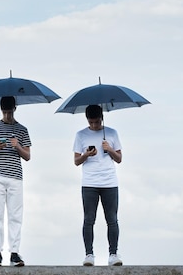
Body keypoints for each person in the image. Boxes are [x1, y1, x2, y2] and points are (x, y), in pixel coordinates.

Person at [0, 96, 30, 267]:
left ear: (14, 109)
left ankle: (14, 253)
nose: (7, 114)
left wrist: (17, 146)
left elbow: (28, 156)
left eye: (9, 111)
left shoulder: (22, 130)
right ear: (1, 110)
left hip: (16, 176)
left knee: (15, 216)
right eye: (5, 111)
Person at [73, 104, 123, 267]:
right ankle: (89, 254)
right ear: (87, 119)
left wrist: (109, 149)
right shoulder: (80, 135)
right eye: (91, 122)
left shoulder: (112, 133)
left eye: (97, 122)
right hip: (89, 183)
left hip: (109, 182)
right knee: (89, 219)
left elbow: (119, 159)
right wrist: (86, 154)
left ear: (102, 118)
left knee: (112, 219)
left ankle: (113, 254)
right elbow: (76, 161)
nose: (94, 125)